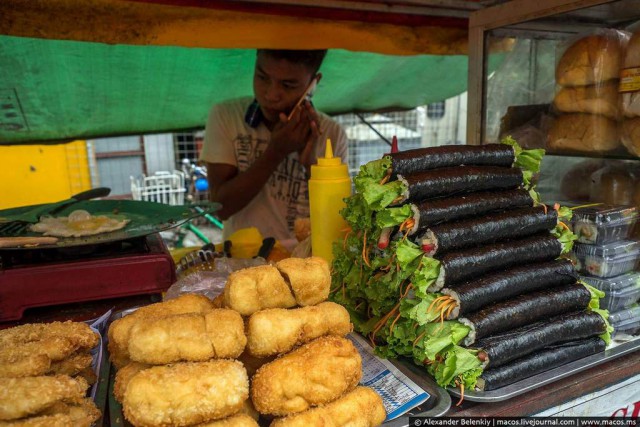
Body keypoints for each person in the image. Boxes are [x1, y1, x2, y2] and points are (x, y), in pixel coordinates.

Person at [200, 49, 348, 243]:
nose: (271, 95)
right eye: (262, 77)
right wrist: (276, 151)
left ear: (313, 83)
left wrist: (313, 167)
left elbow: (340, 218)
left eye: (287, 85)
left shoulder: (331, 134)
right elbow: (221, 208)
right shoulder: (226, 116)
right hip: (243, 262)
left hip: (307, 264)